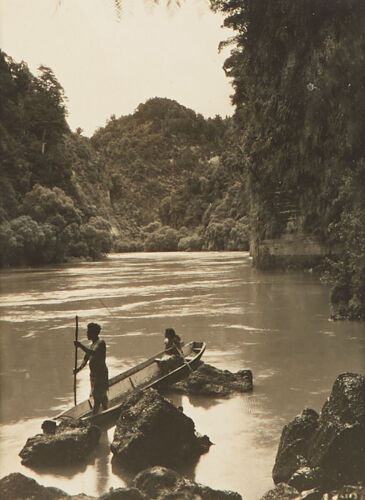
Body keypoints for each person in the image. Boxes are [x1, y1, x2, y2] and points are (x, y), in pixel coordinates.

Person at [73, 322, 109, 414]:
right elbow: (85, 359)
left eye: (89, 332)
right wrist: (78, 369)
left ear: (94, 333)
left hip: (101, 375)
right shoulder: (92, 345)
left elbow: (93, 353)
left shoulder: (100, 343)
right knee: (98, 396)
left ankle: (98, 414)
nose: (87, 334)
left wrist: (80, 346)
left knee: (98, 396)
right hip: (94, 375)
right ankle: (105, 411)